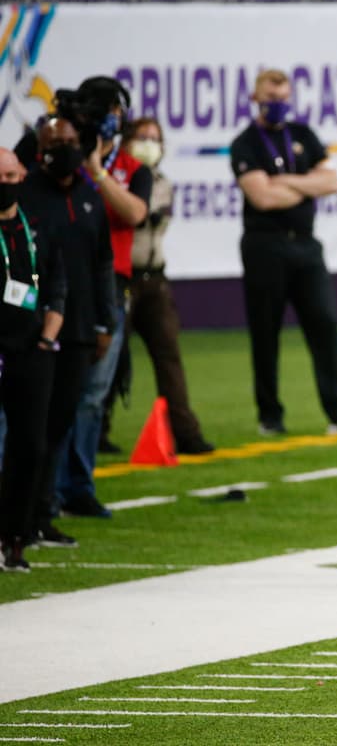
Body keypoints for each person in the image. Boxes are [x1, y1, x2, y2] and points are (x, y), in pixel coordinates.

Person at [229, 69, 337, 437]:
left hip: (305, 243)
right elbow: (262, 197)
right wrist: (307, 185)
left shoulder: (303, 134)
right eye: (270, 99)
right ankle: (270, 416)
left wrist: (285, 181)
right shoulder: (245, 143)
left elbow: (331, 182)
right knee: (266, 333)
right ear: (255, 99)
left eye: (282, 98)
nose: (277, 105)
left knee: (325, 325)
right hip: (264, 245)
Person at [18, 117, 116, 549]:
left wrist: (105, 321)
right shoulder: (24, 195)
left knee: (59, 424)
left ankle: (43, 513)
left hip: (79, 327)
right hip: (32, 330)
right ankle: (19, 518)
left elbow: (103, 263)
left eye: (72, 141)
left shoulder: (90, 197)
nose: (65, 149)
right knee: (28, 427)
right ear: (39, 149)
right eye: (56, 142)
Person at [58, 77, 152, 519]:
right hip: (63, 279)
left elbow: (134, 212)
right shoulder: (62, 158)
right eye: (105, 110)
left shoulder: (134, 169)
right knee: (58, 388)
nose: (112, 118)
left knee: (94, 392)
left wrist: (97, 172)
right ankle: (45, 488)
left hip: (111, 284)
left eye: (116, 110)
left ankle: (79, 485)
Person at [118, 117, 215, 455]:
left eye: (154, 138)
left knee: (169, 356)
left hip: (155, 277)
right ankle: (96, 432)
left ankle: (186, 432)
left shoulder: (162, 183)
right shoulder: (117, 180)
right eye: (142, 137)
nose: (149, 144)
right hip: (123, 278)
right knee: (110, 359)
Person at [0, 147, 66, 572]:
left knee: (30, 445)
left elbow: (57, 284)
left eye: (11, 175)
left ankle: (15, 537)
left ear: (23, 175)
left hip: (32, 350)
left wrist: (47, 337)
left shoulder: (37, 226)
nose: (6, 183)